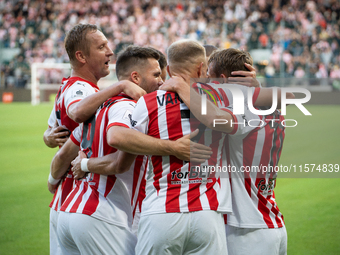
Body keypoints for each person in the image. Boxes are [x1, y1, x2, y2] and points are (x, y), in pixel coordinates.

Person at [50, 45, 212, 255]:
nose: (161, 81)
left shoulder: (99, 107)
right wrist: (174, 147)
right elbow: (118, 148)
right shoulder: (129, 107)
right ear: (135, 77)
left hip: (69, 211)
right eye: (155, 75)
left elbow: (63, 155)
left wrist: (55, 180)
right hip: (103, 215)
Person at [160, 48, 292, 255]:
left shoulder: (244, 105)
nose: (203, 84)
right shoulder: (267, 103)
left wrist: (180, 85)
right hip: (269, 220)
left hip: (247, 231)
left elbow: (215, 119)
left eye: (208, 78)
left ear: (221, 79)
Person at [44, 24, 145, 255]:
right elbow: (77, 113)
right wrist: (119, 86)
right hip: (84, 193)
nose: (110, 52)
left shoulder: (69, 87)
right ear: (81, 56)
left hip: (69, 199)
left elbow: (52, 132)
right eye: (102, 47)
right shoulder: (80, 88)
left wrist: (48, 140)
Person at [130, 40, 231, 255]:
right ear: (201, 68)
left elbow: (125, 142)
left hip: (160, 213)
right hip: (207, 214)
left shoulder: (147, 102)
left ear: (168, 70)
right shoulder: (221, 99)